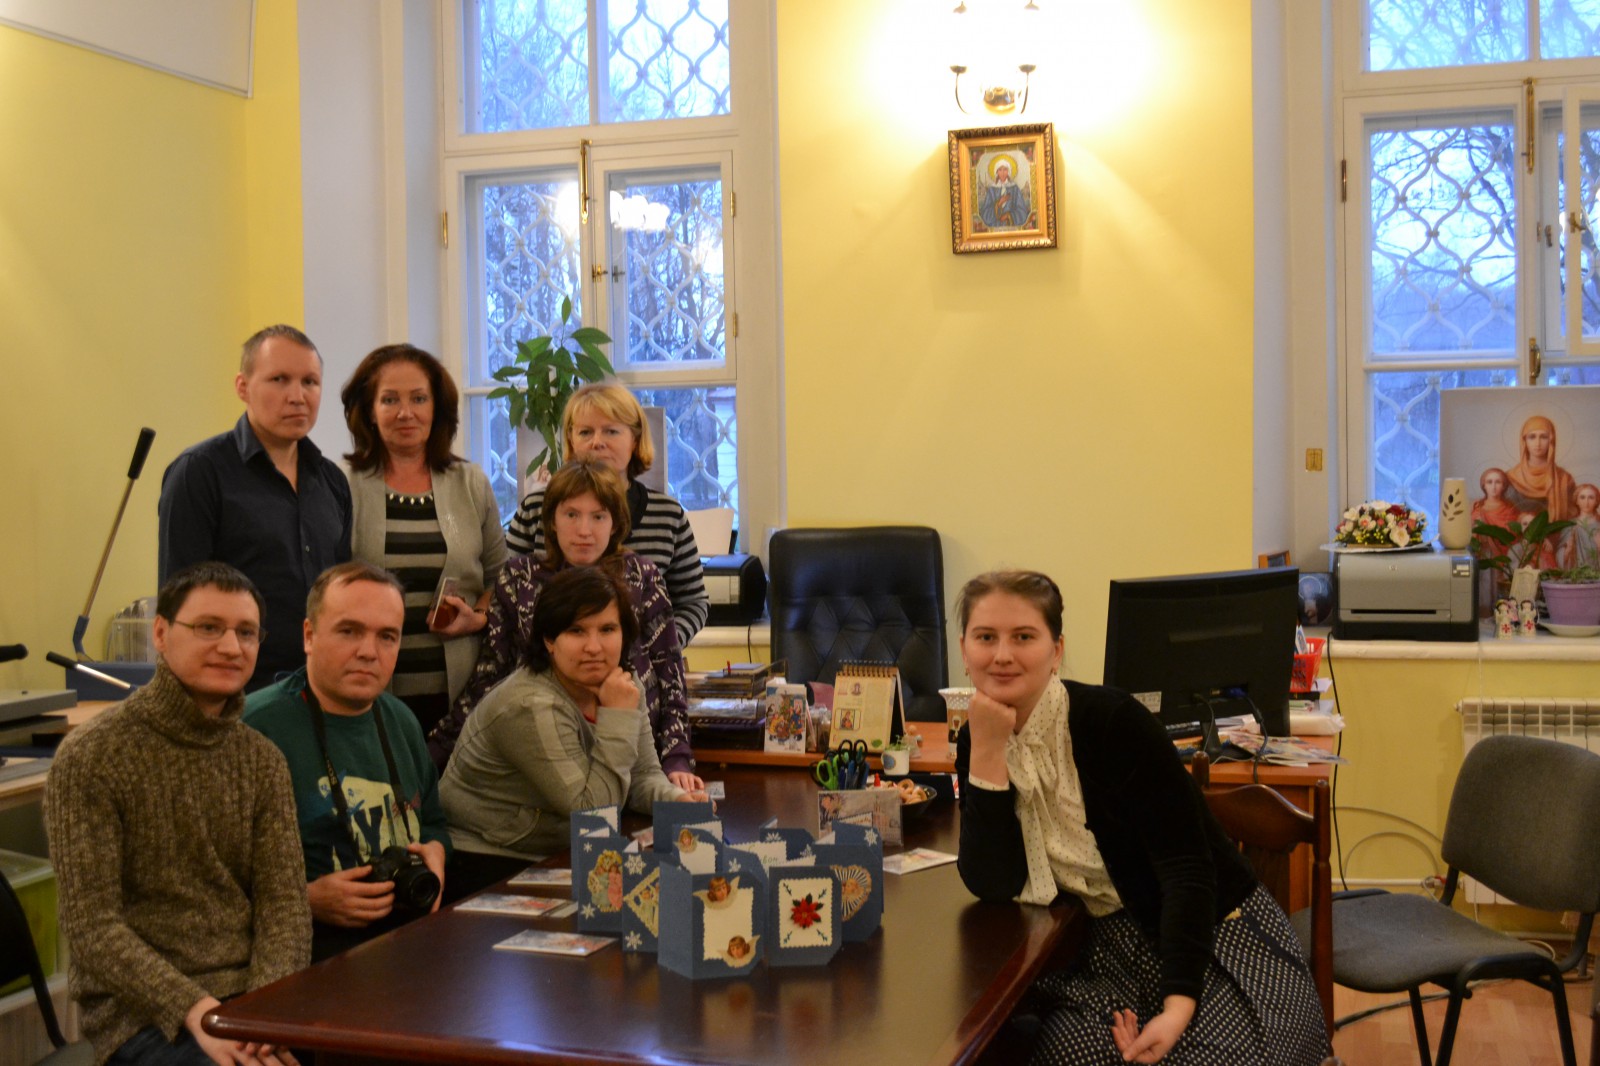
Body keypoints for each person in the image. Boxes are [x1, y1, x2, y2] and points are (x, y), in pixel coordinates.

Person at [953, 570, 1328, 1065]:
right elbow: (992, 882)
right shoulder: (977, 738)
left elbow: (1188, 870)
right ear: (964, 651)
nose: (1002, 655)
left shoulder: (1113, 721)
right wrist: (986, 751)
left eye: (1024, 637)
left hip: (1211, 937)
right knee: (1067, 1056)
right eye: (985, 637)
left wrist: (1177, 1006)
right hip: (1106, 951)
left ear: (1056, 650)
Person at [45, 562, 310, 1066]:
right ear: (161, 634)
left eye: (246, 633)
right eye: (209, 627)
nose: (231, 647)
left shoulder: (262, 760)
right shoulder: (91, 758)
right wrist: (200, 1013)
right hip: (140, 1012)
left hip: (251, 996)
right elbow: (93, 928)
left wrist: (263, 1014)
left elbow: (285, 909)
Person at [439, 566, 706, 899]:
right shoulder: (530, 704)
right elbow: (593, 812)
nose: (594, 647)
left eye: (607, 629)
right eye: (576, 631)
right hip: (490, 858)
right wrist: (617, 716)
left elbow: (641, 774)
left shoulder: (622, 683)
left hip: (557, 847)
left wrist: (676, 800)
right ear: (549, 640)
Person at [429, 460, 698, 790]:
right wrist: (436, 751)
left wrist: (676, 756)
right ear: (552, 521)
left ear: (615, 523)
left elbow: (670, 671)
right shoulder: (519, 578)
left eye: (598, 516)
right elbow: (489, 675)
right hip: (545, 751)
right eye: (571, 514)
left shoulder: (641, 577)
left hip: (636, 752)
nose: (584, 530)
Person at [245, 562, 451, 962]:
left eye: (387, 636)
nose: (368, 652)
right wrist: (304, 901)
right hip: (302, 959)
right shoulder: (256, 728)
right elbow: (205, 885)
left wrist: (437, 853)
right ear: (309, 635)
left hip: (406, 946)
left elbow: (434, 825)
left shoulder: (401, 719)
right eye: (349, 631)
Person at [159, 324, 352, 691]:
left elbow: (339, 594)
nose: (297, 396)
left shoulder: (332, 482)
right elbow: (179, 602)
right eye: (279, 379)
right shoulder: (199, 472)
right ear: (243, 387)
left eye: (310, 382)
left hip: (317, 687)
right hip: (233, 690)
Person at [340, 343, 508, 734]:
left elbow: (500, 577)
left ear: (437, 408)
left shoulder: (471, 483)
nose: (406, 412)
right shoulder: (342, 486)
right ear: (369, 410)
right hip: (369, 691)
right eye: (389, 400)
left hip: (464, 695)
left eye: (419, 398)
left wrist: (476, 618)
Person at [505, 382, 709, 647]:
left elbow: (693, 602)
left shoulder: (668, 516)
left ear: (635, 440)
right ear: (571, 440)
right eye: (585, 432)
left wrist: (659, 645)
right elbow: (507, 595)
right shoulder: (536, 509)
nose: (597, 442)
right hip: (549, 663)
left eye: (611, 431)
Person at [1503, 414, 1578, 521]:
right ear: (1524, 441)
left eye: (1543, 437)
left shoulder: (1564, 479)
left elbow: (1573, 517)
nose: (1537, 443)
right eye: (1532, 437)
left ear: (1551, 440)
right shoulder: (1509, 478)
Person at [978, 158, 1030, 231]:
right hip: (995, 228)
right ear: (997, 172)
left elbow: (1022, 211)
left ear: (1008, 172)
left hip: (1012, 228)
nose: (1002, 173)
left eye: (1005, 169)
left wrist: (1009, 215)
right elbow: (985, 214)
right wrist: (998, 204)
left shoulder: (1015, 189)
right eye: (1000, 170)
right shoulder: (991, 190)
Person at [1560, 483, 1600, 570]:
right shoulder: (1569, 526)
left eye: (1591, 497)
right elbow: (1560, 558)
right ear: (1576, 501)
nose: (1586, 502)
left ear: (1596, 501)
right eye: (1582, 497)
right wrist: (1568, 550)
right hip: (1576, 574)